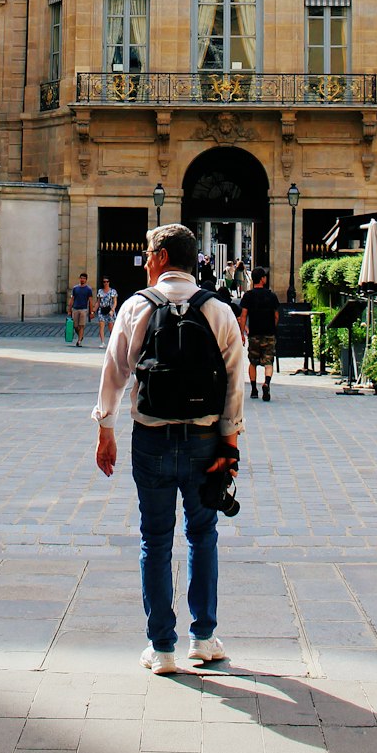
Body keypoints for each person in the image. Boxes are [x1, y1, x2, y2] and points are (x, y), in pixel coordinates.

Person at [93, 223, 245, 674]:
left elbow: (115, 372)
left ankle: (161, 648)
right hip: (204, 440)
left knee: (155, 540)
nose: (143, 259)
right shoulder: (218, 310)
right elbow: (236, 379)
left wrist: (106, 430)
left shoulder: (136, 307)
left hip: (152, 438)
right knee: (203, 536)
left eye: (146, 252)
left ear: (160, 257)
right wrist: (230, 444)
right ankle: (203, 638)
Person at [238, 266, 280, 402]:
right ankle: (266, 383)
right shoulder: (272, 296)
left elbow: (243, 316)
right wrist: (273, 327)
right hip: (268, 333)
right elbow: (276, 316)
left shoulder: (248, 296)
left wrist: (242, 332)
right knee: (268, 362)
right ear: (262, 279)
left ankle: (254, 389)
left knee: (253, 362)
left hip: (254, 334)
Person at [93, 275, 118, 347]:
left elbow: (115, 301)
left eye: (107, 282)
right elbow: (98, 302)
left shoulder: (113, 291)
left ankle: (112, 342)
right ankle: (102, 342)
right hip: (102, 310)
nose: (105, 283)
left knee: (111, 327)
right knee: (101, 326)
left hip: (110, 310)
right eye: (104, 282)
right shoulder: (100, 291)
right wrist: (94, 310)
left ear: (109, 282)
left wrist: (112, 310)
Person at [69, 271, 93, 346]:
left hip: (83, 309)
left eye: (84, 278)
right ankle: (80, 335)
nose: (82, 280)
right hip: (75, 308)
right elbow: (72, 299)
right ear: (79, 279)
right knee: (75, 326)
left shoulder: (88, 289)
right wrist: (69, 309)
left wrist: (91, 312)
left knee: (82, 325)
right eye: (81, 278)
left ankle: (79, 341)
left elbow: (90, 301)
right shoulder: (75, 288)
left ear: (86, 280)